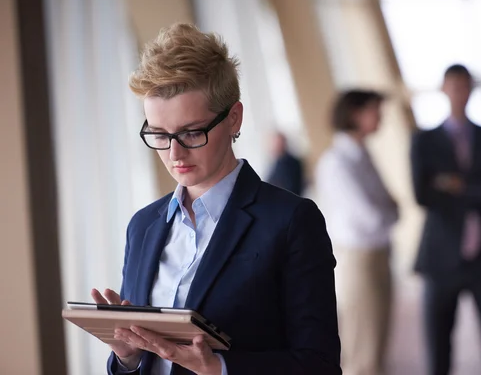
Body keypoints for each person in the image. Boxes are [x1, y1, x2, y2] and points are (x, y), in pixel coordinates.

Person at [91, 23, 341, 375]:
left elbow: (320, 365)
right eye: (159, 134)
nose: (174, 153)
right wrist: (128, 356)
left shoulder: (291, 221)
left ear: (233, 118)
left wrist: (221, 369)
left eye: (192, 132)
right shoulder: (143, 225)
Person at [410, 64, 481, 375]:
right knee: (438, 350)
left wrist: (456, 185)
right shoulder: (424, 141)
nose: (459, 93)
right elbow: (422, 195)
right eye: (453, 86)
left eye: (465, 86)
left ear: (471, 90)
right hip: (441, 257)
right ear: (444, 90)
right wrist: (480, 186)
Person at [316, 90, 398, 375]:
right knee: (363, 348)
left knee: (376, 344)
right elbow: (373, 216)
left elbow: (392, 207)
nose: (380, 117)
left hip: (378, 253)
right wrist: (389, 210)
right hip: (359, 259)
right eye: (375, 110)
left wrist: (389, 210)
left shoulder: (361, 154)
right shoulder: (337, 162)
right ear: (355, 114)